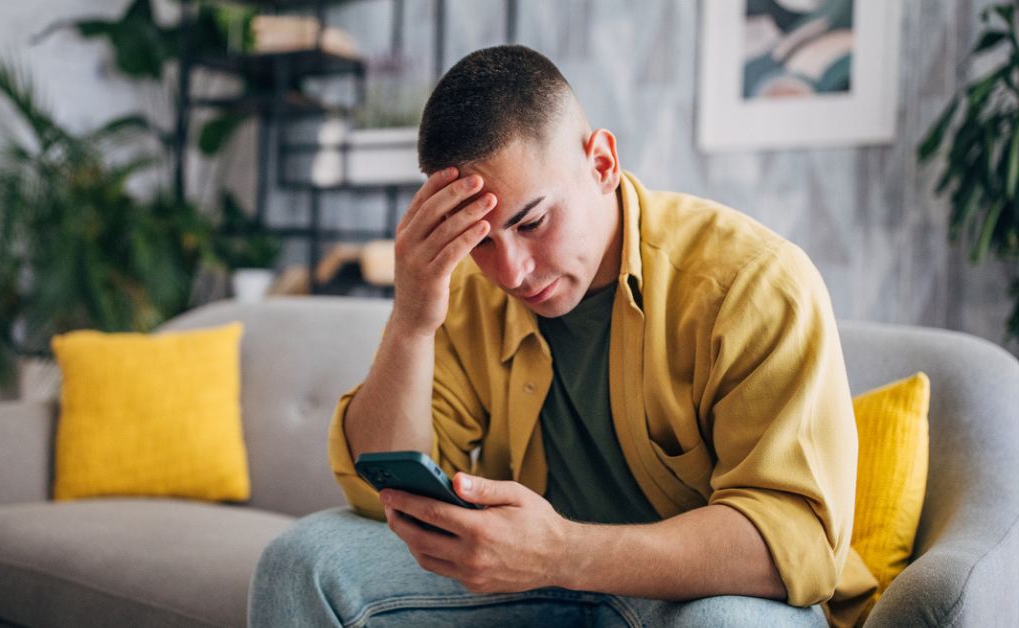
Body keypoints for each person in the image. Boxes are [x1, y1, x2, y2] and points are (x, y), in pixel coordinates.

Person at [249, 45, 877, 628]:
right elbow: (380, 490)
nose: (511, 272)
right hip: (532, 582)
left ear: (601, 163)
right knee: (301, 562)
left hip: (693, 594)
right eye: (481, 241)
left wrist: (560, 552)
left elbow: (794, 539)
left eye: (532, 222)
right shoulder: (467, 292)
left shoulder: (752, 284)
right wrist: (411, 319)